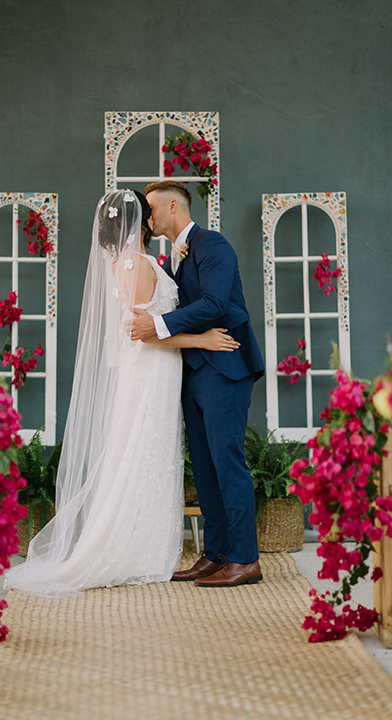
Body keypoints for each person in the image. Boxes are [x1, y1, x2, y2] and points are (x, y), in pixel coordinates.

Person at [4, 189, 239, 597]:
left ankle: (151, 546)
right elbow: (140, 335)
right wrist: (201, 341)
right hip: (150, 371)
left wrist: (193, 337)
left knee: (153, 455)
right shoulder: (131, 263)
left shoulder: (143, 261)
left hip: (163, 374)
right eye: (143, 211)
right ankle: (131, 549)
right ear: (134, 221)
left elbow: (153, 323)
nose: (149, 217)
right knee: (141, 453)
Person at [130, 180, 265, 587]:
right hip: (192, 370)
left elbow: (216, 304)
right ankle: (216, 553)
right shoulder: (174, 257)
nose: (147, 218)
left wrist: (157, 324)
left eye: (151, 209)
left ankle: (245, 559)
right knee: (205, 468)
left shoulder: (213, 244)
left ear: (174, 206)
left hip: (224, 365)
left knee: (227, 462)